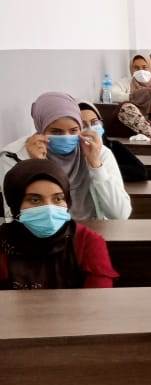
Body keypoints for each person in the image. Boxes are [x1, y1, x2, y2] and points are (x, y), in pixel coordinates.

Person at [0, 92, 132, 221]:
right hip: (44, 233)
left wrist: (96, 165)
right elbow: (13, 216)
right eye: (56, 132)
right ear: (41, 128)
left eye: (74, 130)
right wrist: (38, 166)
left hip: (92, 228)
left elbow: (119, 214)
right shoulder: (14, 156)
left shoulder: (97, 152)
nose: (66, 137)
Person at [0, 159, 118, 289]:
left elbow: (98, 297)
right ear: (15, 204)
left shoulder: (87, 241)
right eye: (35, 200)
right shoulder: (3, 241)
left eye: (57, 199)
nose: (49, 209)